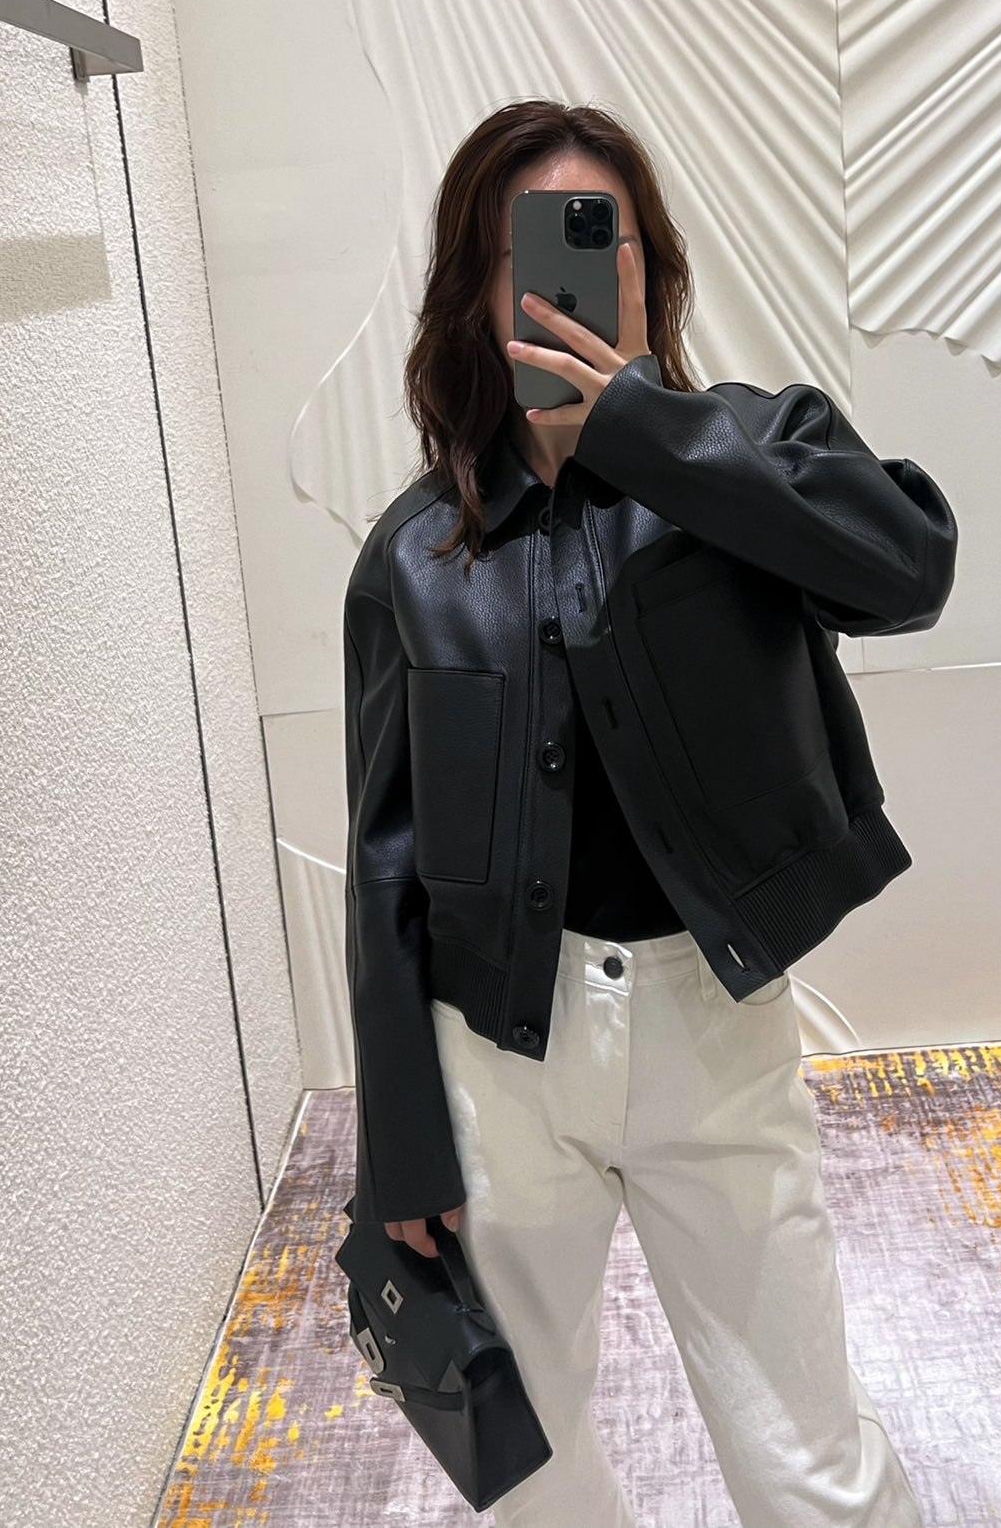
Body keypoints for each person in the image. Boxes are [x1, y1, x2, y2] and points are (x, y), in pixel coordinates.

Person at [343, 99, 955, 1527]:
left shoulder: (751, 456)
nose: (571, 272)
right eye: (531, 248)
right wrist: (400, 1150)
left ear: (648, 266)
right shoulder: (415, 555)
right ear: (476, 288)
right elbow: (385, 867)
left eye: (598, 236)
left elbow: (906, 571)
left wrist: (643, 432)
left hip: (708, 1026)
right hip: (498, 1052)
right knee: (531, 1472)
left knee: (806, 1459)